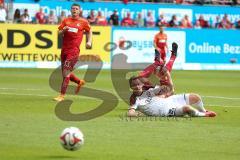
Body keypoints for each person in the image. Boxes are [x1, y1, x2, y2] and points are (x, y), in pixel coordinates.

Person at [53, 3, 92, 102]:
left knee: (66, 72)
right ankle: (79, 82)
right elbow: (58, 33)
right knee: (65, 73)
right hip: (64, 50)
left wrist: (89, 41)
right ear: (71, 10)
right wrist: (63, 31)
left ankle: (61, 95)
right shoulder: (66, 21)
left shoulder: (83, 22)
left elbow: (89, 31)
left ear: (79, 11)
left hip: (74, 51)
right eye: (73, 8)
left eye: (76, 9)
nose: (74, 10)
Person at [128, 76, 217, 117]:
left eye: (138, 84)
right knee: (187, 108)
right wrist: (137, 114)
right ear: (131, 87)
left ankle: (204, 110)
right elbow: (130, 113)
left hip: (171, 100)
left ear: (142, 84)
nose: (137, 87)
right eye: (134, 85)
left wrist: (167, 77)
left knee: (195, 97)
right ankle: (204, 115)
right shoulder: (135, 99)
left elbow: (169, 89)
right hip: (167, 111)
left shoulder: (150, 90)